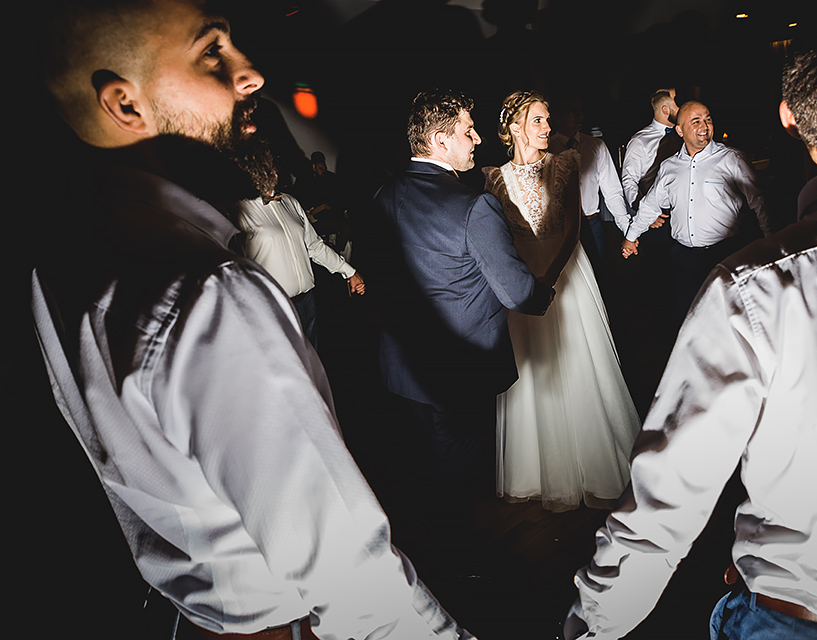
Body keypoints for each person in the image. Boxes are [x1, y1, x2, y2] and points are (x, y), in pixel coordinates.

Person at [33, 1, 471, 638]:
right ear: (126, 105)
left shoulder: (61, 257)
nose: (251, 74)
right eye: (211, 52)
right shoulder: (211, 298)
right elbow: (356, 582)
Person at [564, 9, 817, 640]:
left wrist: (593, 624)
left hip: (797, 619)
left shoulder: (751, 288)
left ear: (790, 118)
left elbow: (665, 501)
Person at [374, 89, 553, 498]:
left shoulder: (384, 194)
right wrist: (546, 293)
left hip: (402, 366)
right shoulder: (474, 206)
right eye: (468, 131)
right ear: (440, 141)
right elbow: (519, 294)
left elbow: (380, 273)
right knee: (458, 482)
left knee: (423, 468)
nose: (477, 139)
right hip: (458, 372)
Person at [483, 91, 642, 513]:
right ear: (515, 127)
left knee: (579, 362)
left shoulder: (566, 163)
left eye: (547, 119)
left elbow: (573, 229)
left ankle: (595, 465)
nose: (547, 127)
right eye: (538, 120)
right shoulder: (494, 178)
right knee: (535, 371)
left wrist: (549, 281)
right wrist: (523, 285)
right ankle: (538, 472)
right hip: (522, 278)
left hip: (565, 272)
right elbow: (497, 238)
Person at [622, 100, 772, 321]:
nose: (705, 126)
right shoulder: (669, 167)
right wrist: (631, 237)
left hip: (724, 255)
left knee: (728, 318)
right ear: (680, 130)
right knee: (689, 317)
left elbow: (759, 201)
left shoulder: (732, 159)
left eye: (708, 119)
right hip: (684, 260)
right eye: (696, 121)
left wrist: (772, 239)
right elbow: (650, 206)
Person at [235, 189, 364, 354]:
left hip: (306, 301)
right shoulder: (240, 208)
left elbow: (314, 246)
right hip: (274, 306)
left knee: (310, 359)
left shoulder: (290, 202)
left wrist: (349, 271)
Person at [548, 95, 633, 274]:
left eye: (581, 111)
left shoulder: (596, 146)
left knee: (600, 274)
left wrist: (628, 230)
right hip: (558, 228)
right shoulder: (546, 148)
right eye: (573, 111)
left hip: (592, 224)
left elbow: (612, 192)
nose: (579, 116)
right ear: (557, 115)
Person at [620, 88, 679, 211]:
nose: (682, 109)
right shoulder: (640, 141)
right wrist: (644, 211)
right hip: (655, 212)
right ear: (665, 110)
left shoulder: (682, 135)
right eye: (677, 104)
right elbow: (629, 180)